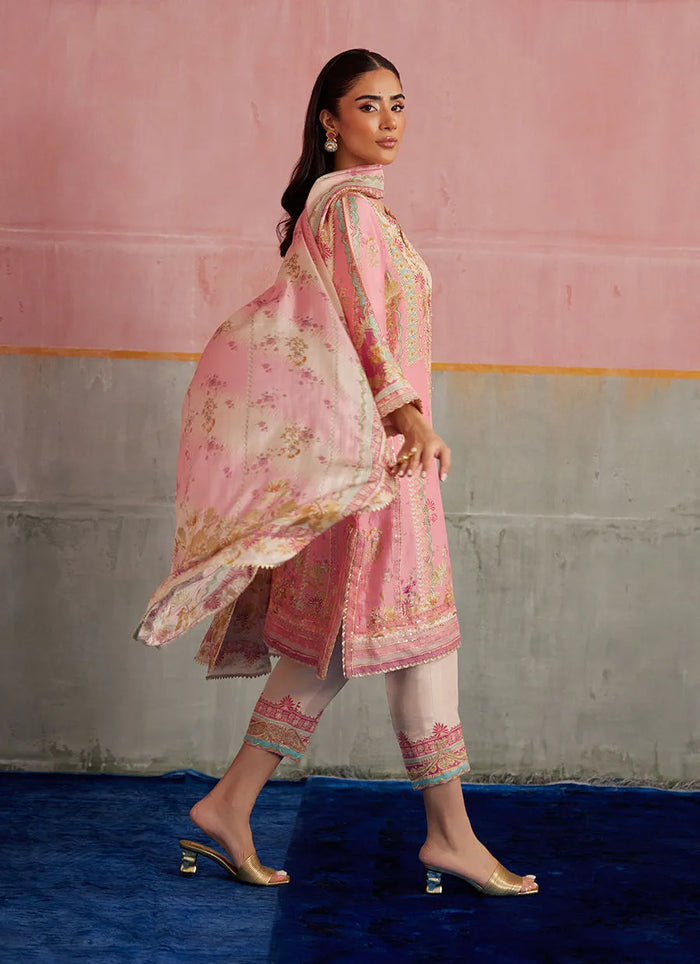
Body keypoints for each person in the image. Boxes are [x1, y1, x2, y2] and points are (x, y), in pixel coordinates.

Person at [135, 49, 538, 897]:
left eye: (399, 105)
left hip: (371, 458)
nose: (389, 121)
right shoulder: (350, 211)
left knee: (335, 649)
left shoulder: (357, 210)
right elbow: (362, 329)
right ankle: (451, 836)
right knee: (416, 639)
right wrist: (408, 415)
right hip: (378, 462)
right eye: (369, 106)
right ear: (330, 121)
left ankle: (230, 804)